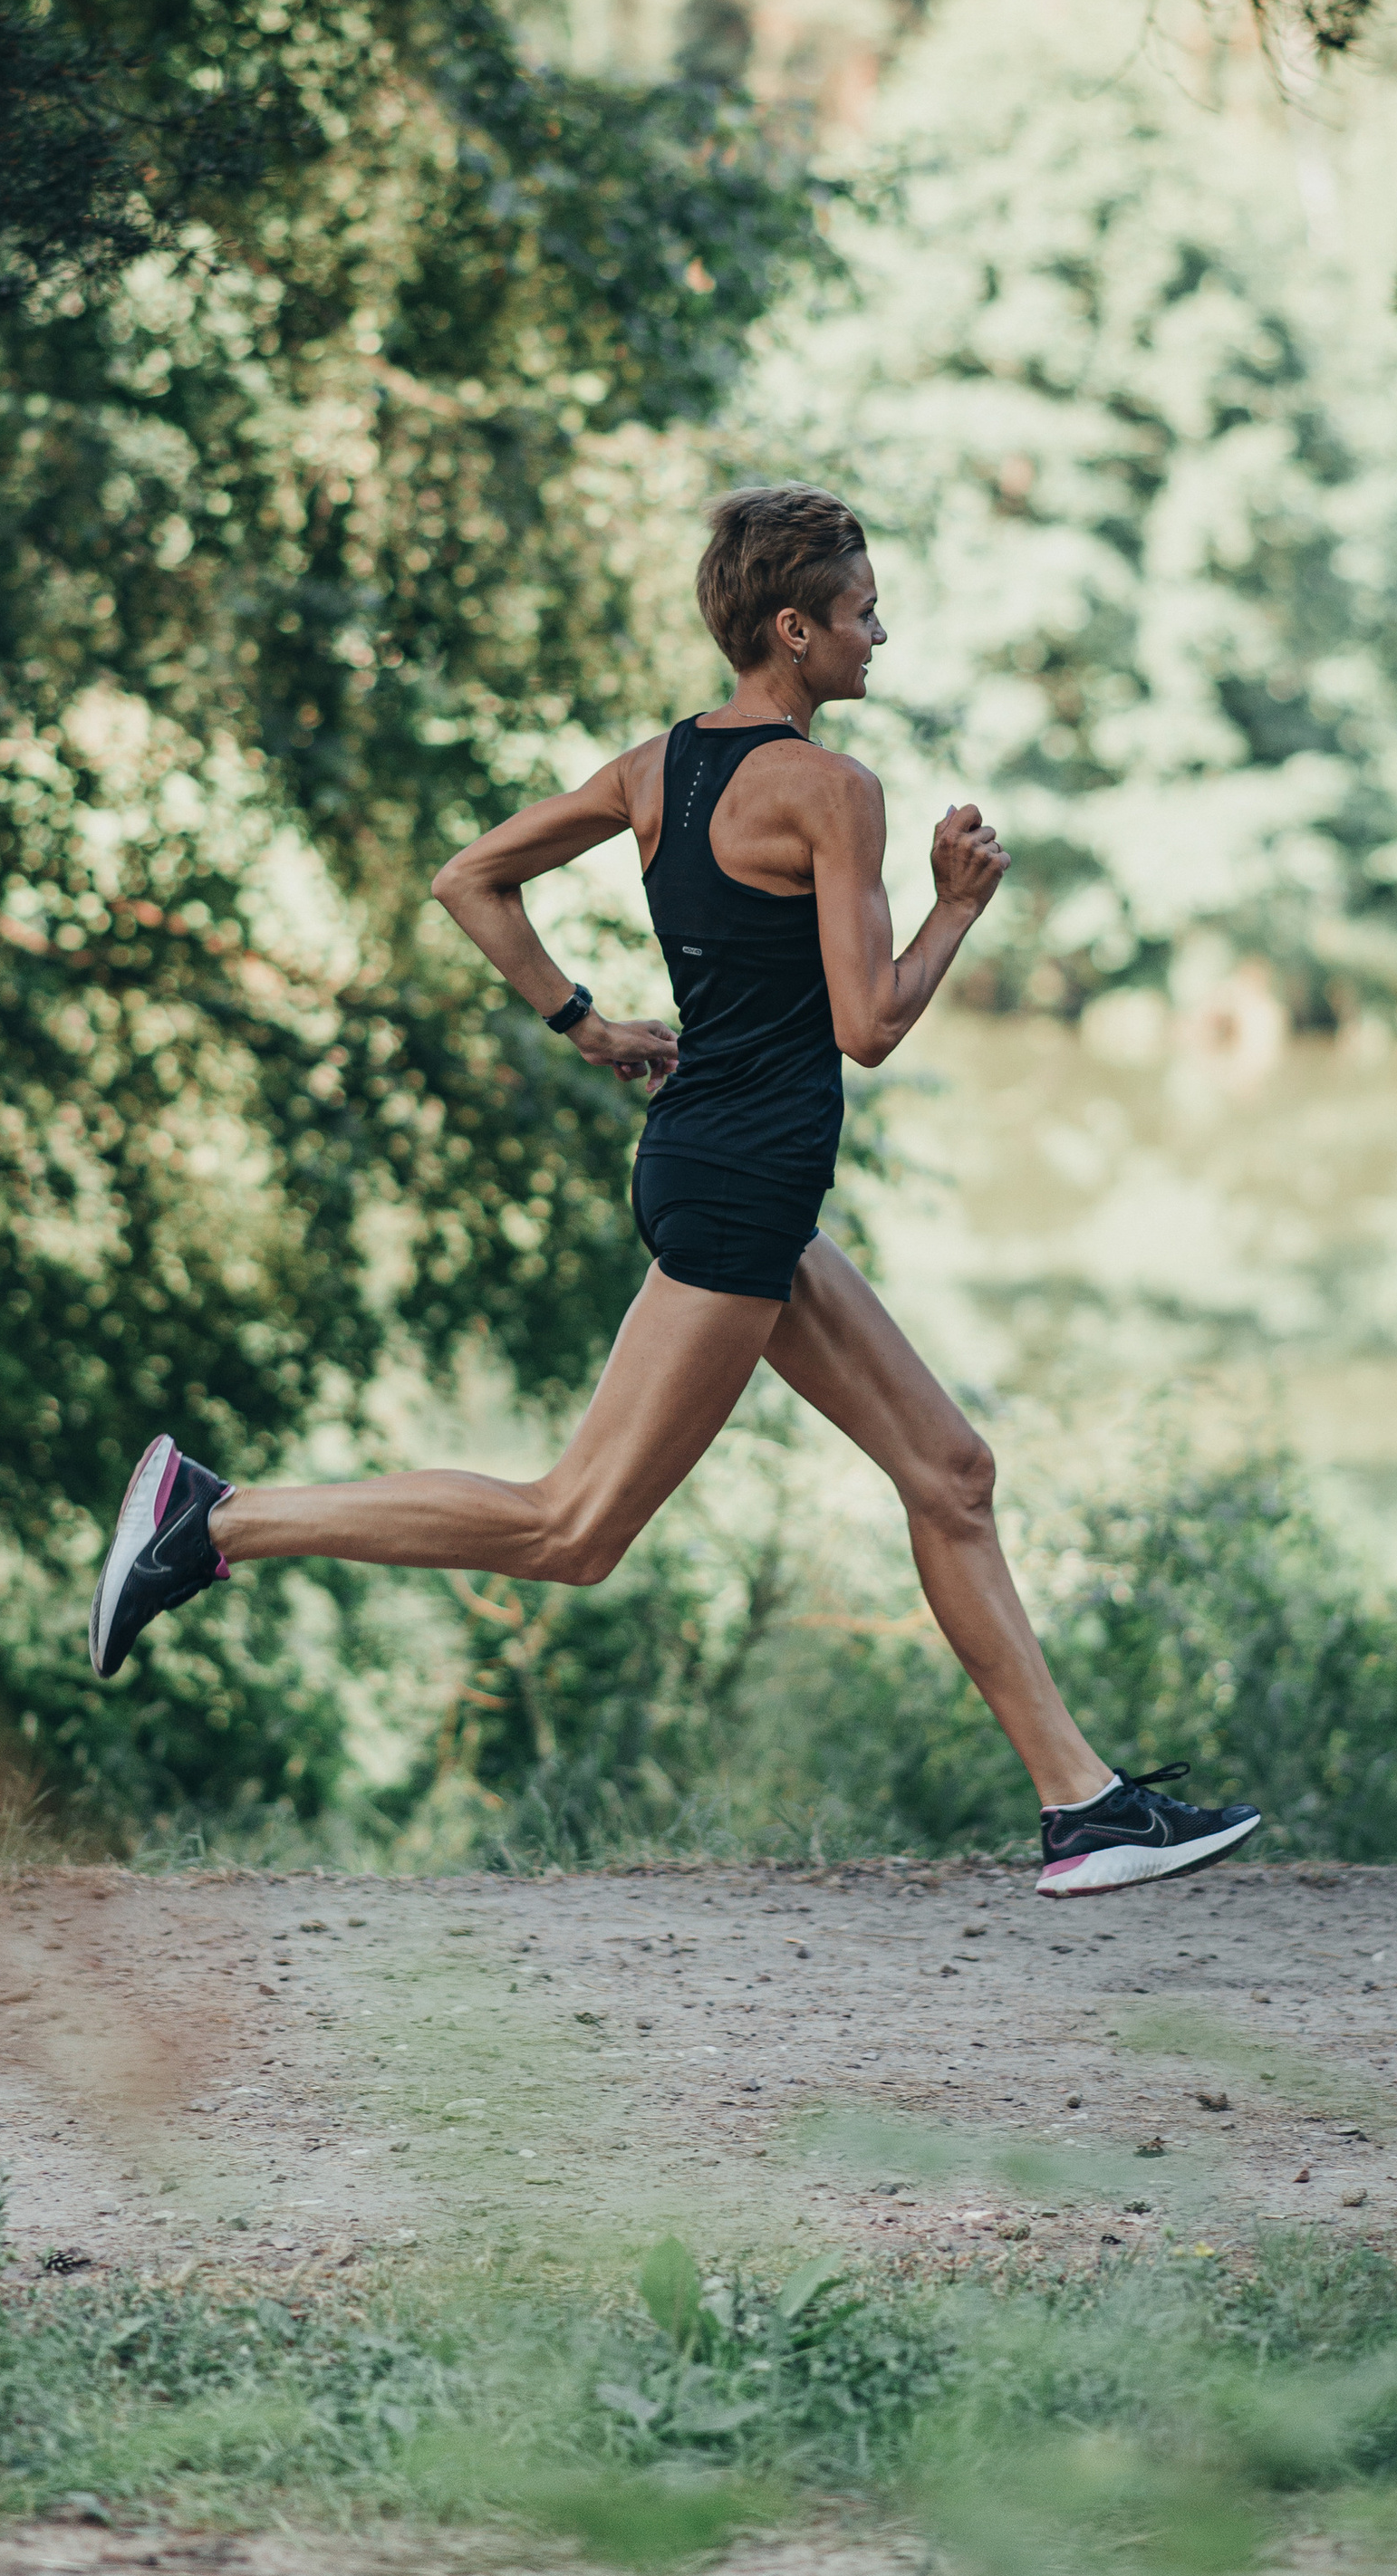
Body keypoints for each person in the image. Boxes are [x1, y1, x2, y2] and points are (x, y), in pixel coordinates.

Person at [89, 485, 1260, 1898]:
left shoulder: (656, 770)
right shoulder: (834, 793)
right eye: (860, 612)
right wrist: (955, 904)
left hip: (718, 1173)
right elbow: (868, 1025)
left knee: (952, 1473)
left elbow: (473, 880)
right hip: (742, 1194)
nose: (878, 636)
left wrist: (579, 1019)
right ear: (793, 627)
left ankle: (1086, 1807)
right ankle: (213, 1520)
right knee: (571, 1527)